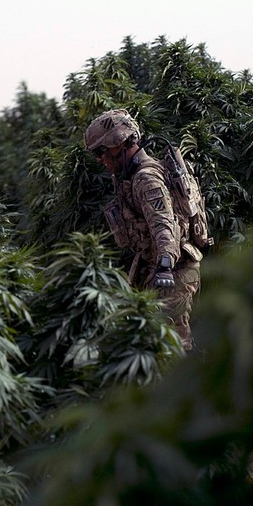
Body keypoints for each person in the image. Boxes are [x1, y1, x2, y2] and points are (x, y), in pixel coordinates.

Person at [84, 109, 202, 350]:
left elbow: (164, 224)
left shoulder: (145, 179)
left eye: (100, 151)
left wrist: (165, 266)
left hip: (173, 273)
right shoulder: (130, 176)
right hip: (152, 268)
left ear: (118, 144)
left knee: (172, 346)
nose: (99, 159)